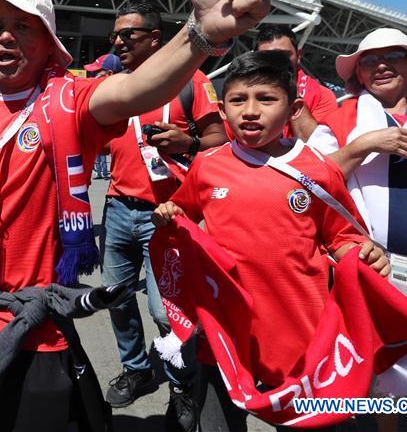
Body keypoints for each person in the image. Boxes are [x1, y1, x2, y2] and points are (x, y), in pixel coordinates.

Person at [0, 0, 271, 431]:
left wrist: (199, 31)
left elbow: (133, 89)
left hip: (33, 329)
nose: (5, 38)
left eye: (23, 27)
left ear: (49, 45)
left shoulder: (68, 100)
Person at [153, 50, 389, 431]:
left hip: (300, 335)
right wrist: (168, 216)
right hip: (225, 333)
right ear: (223, 108)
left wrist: (363, 254)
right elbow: (183, 216)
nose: (250, 111)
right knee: (217, 424)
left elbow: (342, 236)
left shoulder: (318, 170)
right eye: (237, 100)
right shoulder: (207, 165)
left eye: (265, 99)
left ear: (293, 108)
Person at [307, 28, 407, 431]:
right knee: (390, 365)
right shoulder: (340, 117)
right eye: (369, 60)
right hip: (382, 263)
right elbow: (311, 181)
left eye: (393, 56)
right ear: (358, 73)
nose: (381, 65)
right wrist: (362, 145)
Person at [100, 3, 227, 425]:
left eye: (128, 36)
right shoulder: (112, 85)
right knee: (115, 298)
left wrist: (187, 142)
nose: (118, 42)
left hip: (168, 216)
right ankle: (136, 370)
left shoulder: (191, 80)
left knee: (163, 309)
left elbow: (220, 141)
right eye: (115, 36)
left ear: (155, 38)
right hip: (118, 207)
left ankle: (181, 383)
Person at [254, 24, 338, 139]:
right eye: (267, 56)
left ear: (298, 56)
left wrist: (291, 91)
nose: (277, 61)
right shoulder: (242, 91)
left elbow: (319, 146)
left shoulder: (322, 96)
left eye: (283, 55)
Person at [85, 54, 122, 180]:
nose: (90, 78)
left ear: (109, 74)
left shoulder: (124, 104)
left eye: (95, 73)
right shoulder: (98, 103)